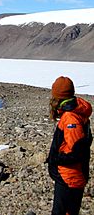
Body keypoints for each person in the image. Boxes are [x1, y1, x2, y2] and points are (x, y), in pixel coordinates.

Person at [47, 76, 93, 215]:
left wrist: (55, 159)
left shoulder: (71, 118)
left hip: (69, 177)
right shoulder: (75, 113)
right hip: (71, 176)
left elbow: (76, 151)